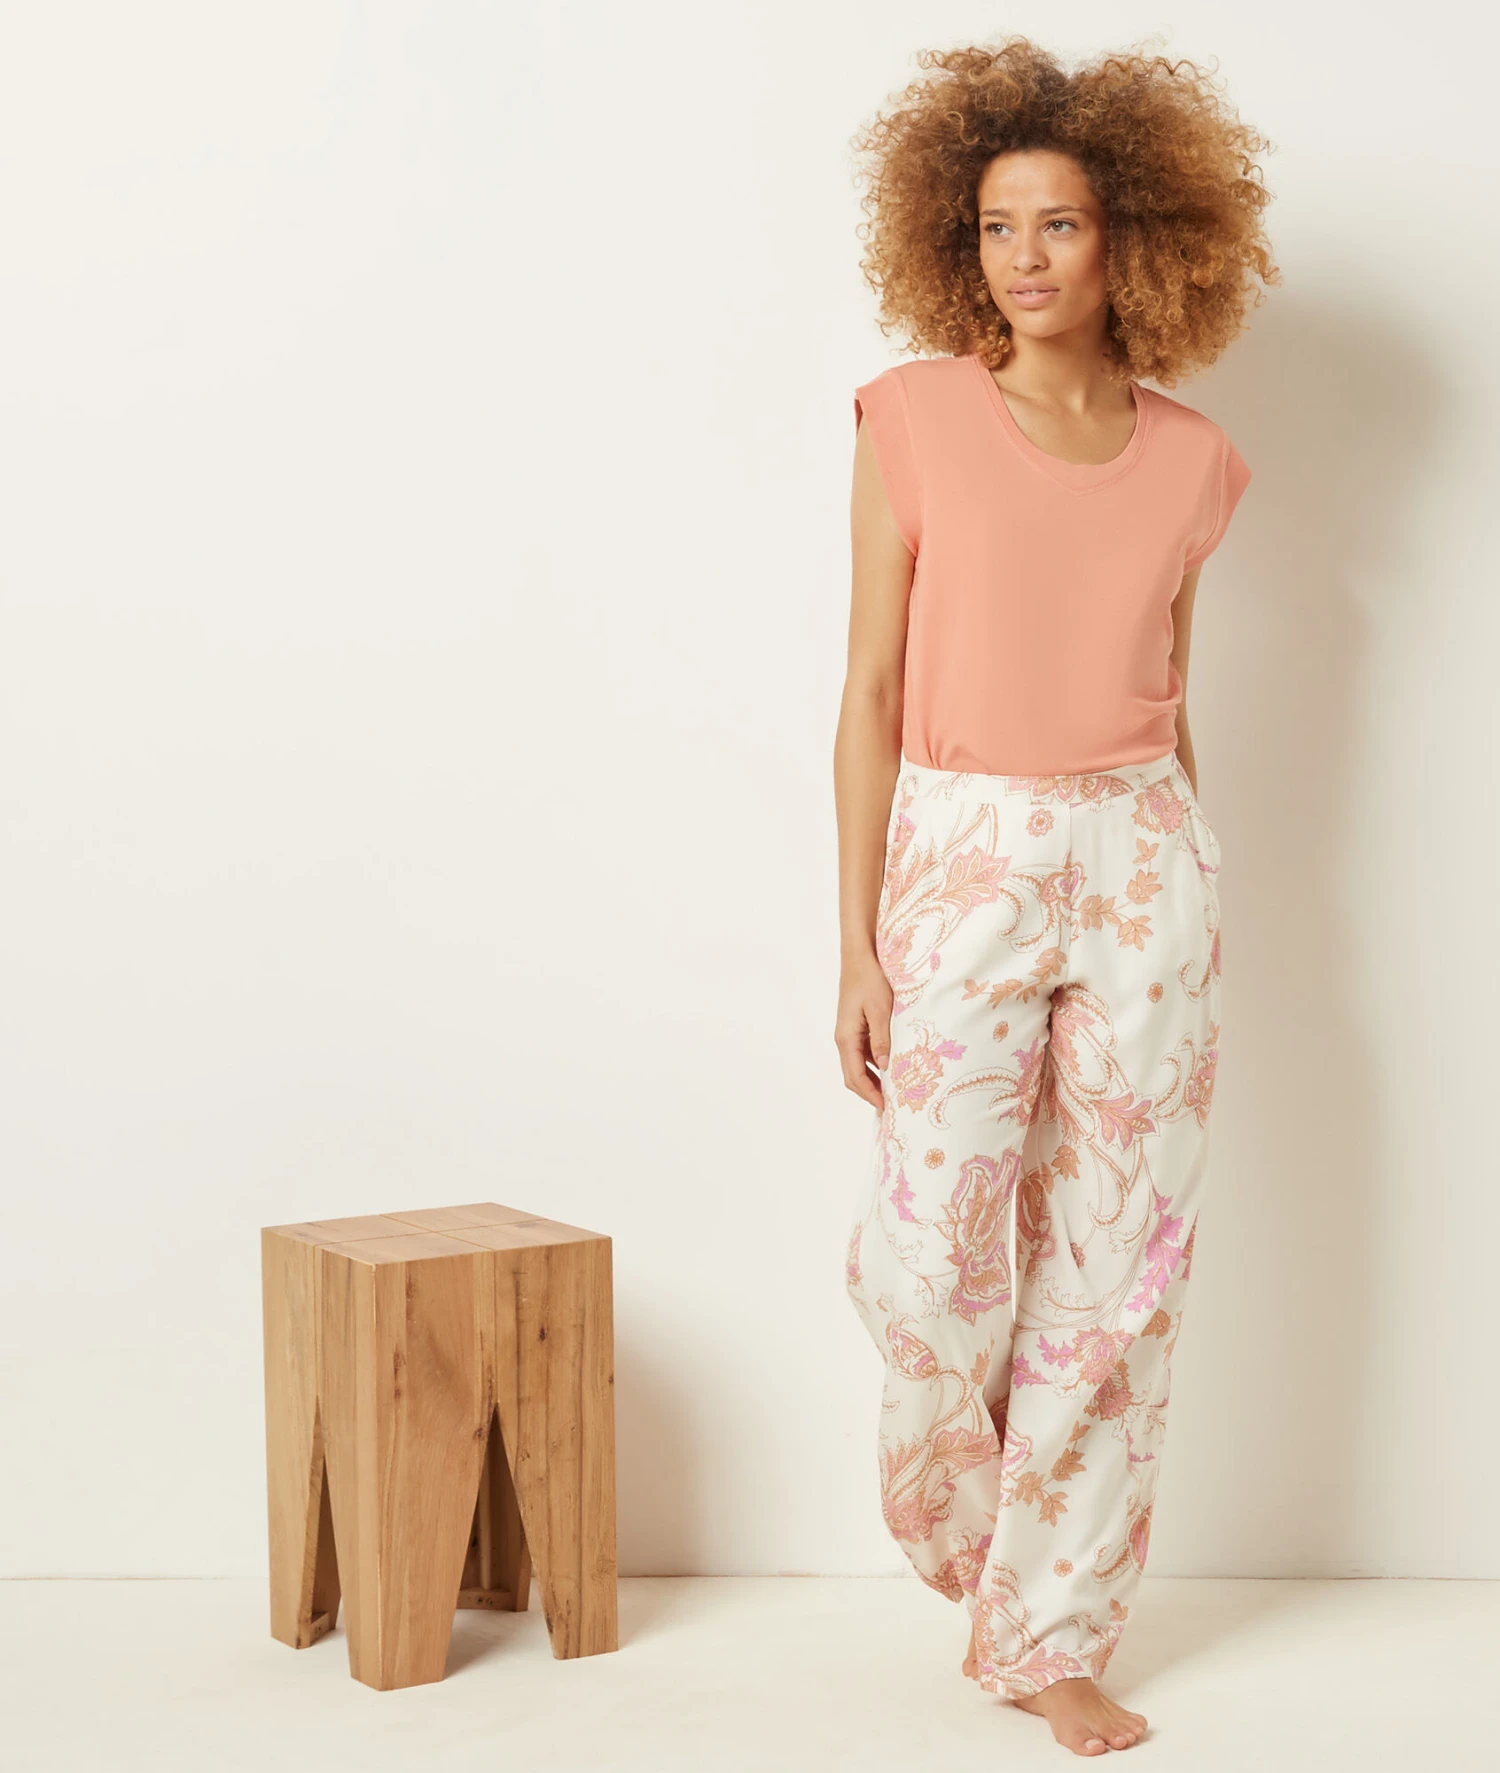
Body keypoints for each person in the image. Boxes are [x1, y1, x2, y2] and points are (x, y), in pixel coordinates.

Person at [834, 37, 1278, 1758]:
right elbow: (871, 694)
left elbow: (1172, 690)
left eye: (1063, 223)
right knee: (932, 1264)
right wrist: (855, 941)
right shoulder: (914, 417)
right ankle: (966, 1525)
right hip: (964, 853)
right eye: (999, 225)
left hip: (1146, 856)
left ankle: (1049, 1630)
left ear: (1134, 240)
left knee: (1118, 1269)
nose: (1027, 256)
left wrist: (1182, 875)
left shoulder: (1196, 460)